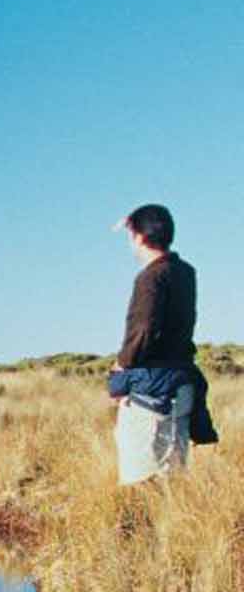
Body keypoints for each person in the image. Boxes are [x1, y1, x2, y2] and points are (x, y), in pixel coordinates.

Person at [107, 203, 215, 485]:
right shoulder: (184, 272)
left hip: (153, 390)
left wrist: (122, 366)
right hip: (180, 382)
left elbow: (143, 329)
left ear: (140, 236)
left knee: (144, 481)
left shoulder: (151, 277)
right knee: (173, 476)